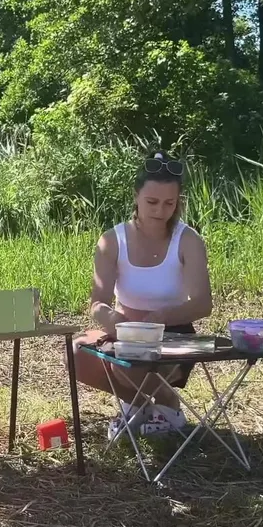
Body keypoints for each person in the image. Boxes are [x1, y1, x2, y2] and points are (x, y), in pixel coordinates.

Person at [73, 151, 214, 439]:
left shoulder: (188, 240)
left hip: (173, 335)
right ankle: (139, 405)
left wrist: (160, 317)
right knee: (75, 353)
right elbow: (97, 303)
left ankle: (167, 402)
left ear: (178, 202)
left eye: (169, 203)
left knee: (133, 364)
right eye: (152, 201)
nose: (160, 210)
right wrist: (114, 320)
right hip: (125, 332)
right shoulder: (111, 240)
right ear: (136, 196)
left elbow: (203, 304)